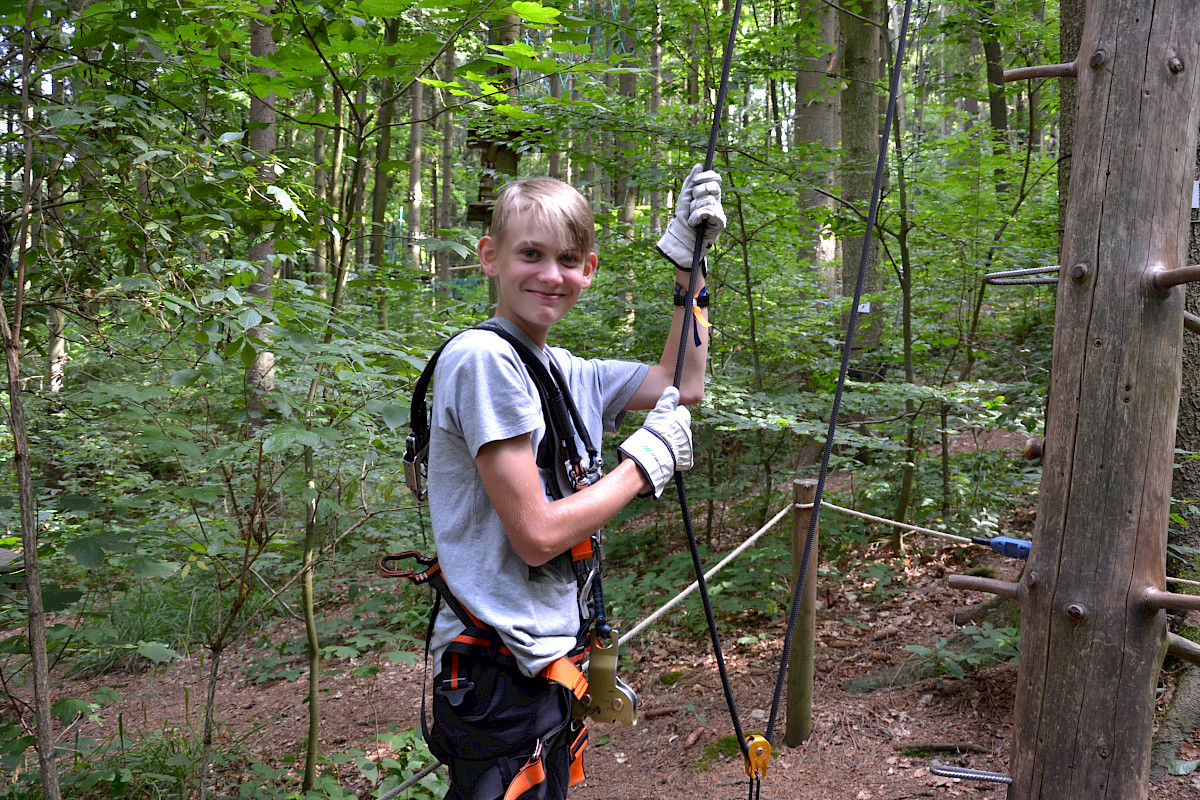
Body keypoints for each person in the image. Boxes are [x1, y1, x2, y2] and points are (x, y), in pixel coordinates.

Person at [423, 165, 724, 800]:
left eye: (567, 259)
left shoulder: (564, 370)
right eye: (529, 254)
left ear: (588, 268)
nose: (550, 275)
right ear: (490, 258)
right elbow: (536, 537)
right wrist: (641, 467)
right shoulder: (484, 361)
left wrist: (689, 271)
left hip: (544, 666)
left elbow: (684, 380)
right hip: (496, 670)